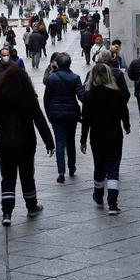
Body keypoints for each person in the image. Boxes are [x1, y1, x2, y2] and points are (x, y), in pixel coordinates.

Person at [0, 64, 54, 226]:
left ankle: (7, 213)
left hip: (5, 142)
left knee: (7, 177)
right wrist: (49, 142)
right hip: (26, 142)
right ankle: (31, 207)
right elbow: (39, 120)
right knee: (27, 175)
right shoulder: (29, 95)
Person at [80, 63, 130, 214]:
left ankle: (99, 195)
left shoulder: (88, 96)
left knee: (99, 166)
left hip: (97, 135)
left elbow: (86, 120)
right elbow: (124, 111)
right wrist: (126, 126)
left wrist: (83, 140)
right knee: (114, 168)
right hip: (114, 134)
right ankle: (113, 203)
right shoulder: (117, 93)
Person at [43, 52, 82, 183]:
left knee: (59, 142)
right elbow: (81, 96)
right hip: (71, 114)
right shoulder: (75, 78)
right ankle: (72, 167)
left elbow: (46, 98)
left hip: (56, 114)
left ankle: (61, 172)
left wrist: (49, 113)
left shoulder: (52, 78)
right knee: (70, 141)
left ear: (57, 64)